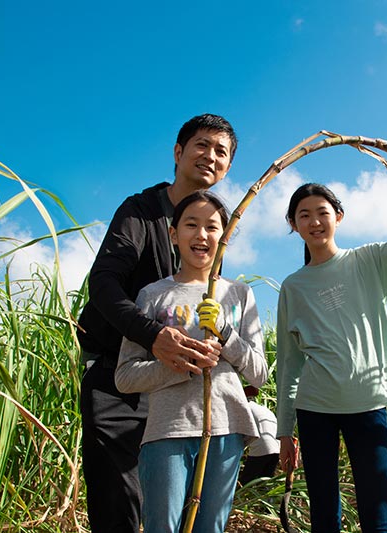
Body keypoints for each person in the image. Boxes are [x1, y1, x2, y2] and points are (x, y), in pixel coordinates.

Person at [275, 142, 387, 533]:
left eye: (323, 212)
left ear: (339, 216)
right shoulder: (293, 287)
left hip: (369, 404)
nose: (315, 221)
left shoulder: (369, 261)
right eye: (304, 215)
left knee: (377, 514)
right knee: (324, 514)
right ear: (293, 225)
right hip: (315, 409)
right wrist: (285, 431)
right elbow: (289, 363)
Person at [76, 114, 237, 533]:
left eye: (222, 152)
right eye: (202, 145)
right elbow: (104, 283)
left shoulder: (209, 238)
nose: (211, 156)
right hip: (118, 377)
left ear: (227, 169)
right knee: (119, 500)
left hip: (178, 390)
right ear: (179, 152)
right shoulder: (140, 211)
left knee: (174, 508)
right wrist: (153, 336)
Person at [114, 190, 268, 533]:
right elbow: (124, 377)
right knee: (161, 527)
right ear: (174, 234)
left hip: (228, 430)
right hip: (166, 430)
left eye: (212, 227)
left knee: (210, 527)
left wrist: (226, 334)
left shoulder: (239, 294)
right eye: (191, 225)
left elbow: (260, 373)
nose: (201, 235)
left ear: (224, 237)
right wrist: (177, 365)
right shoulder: (153, 295)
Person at [238, 386, 280, 486]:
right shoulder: (262, 409)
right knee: (265, 483)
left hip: (262, 448)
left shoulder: (244, 409)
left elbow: (241, 434)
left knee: (245, 483)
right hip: (276, 447)